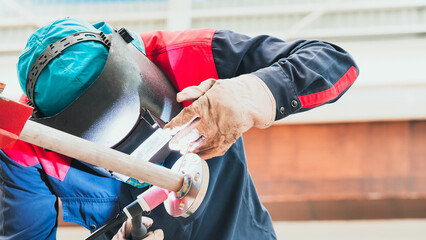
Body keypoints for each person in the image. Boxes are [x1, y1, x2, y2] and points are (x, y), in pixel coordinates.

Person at [0, 17, 358, 240]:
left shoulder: (184, 56)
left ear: (135, 59)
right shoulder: (28, 147)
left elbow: (333, 61)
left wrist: (253, 93)